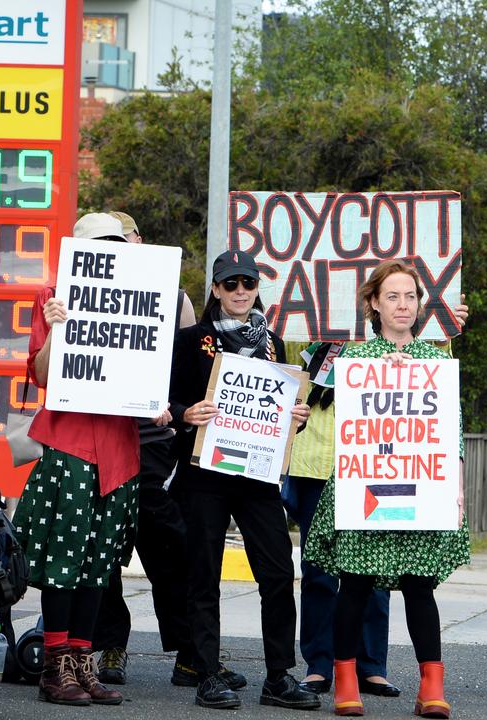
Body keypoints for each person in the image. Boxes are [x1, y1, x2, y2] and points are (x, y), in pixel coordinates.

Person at [14, 212, 168, 706]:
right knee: (65, 559)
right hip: (72, 445)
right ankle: (55, 667)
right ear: (79, 250)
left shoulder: (143, 295)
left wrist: (156, 403)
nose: (112, 250)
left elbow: (145, 363)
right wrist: (57, 328)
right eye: (101, 244)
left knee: (101, 563)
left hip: (121, 449)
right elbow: (39, 374)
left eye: (117, 242)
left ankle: (83, 661)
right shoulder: (53, 295)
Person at [305, 259, 470, 719]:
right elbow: (351, 427)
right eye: (392, 296)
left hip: (424, 488)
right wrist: (386, 374)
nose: (403, 305)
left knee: (421, 587)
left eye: (411, 297)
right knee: (354, 584)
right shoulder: (354, 360)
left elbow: (450, 430)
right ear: (374, 304)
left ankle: (431, 686)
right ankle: (344, 680)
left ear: (420, 306)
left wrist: (456, 485)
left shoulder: (439, 361)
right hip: (367, 488)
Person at [91, 211, 236, 690]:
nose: (120, 245)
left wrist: (173, 410)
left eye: (125, 236)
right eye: (108, 240)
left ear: (140, 239)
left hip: (155, 446)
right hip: (102, 441)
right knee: (106, 551)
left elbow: (187, 372)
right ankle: (111, 643)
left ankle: (192, 654)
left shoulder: (173, 298)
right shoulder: (82, 293)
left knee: (173, 549)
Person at [169, 250, 319, 711]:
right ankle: (206, 673)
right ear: (215, 289)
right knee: (203, 575)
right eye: (230, 284)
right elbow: (166, 401)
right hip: (204, 476)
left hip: (256, 475)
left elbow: (287, 410)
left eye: (247, 284)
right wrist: (184, 414)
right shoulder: (191, 339)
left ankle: (278, 675)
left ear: (257, 289)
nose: (239, 292)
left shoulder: (272, 341)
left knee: (277, 572)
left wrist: (297, 416)